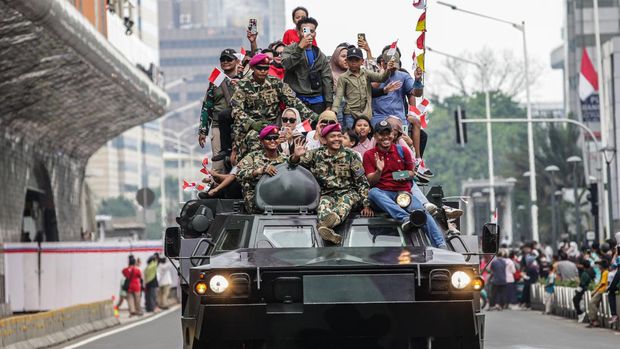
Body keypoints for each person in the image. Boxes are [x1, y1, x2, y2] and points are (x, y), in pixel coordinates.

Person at [362, 120, 447, 249]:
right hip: (383, 195)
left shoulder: (403, 151)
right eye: (381, 134)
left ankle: (441, 246)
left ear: (393, 134)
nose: (385, 137)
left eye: (388, 133)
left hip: (403, 194)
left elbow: (412, 173)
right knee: (373, 192)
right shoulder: (369, 155)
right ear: (375, 136)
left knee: (423, 214)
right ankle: (404, 218)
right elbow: (370, 181)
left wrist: (400, 175)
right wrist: (379, 171)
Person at [290, 123, 373, 244]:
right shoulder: (316, 154)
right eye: (332, 136)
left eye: (339, 136)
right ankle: (327, 230)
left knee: (345, 203)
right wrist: (295, 156)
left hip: (349, 193)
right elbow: (293, 164)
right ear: (324, 140)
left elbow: (362, 182)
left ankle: (328, 222)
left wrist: (366, 204)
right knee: (322, 208)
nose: (337, 139)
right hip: (327, 194)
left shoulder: (351, 156)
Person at [231, 53, 316, 160]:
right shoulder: (243, 85)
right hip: (251, 127)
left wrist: (313, 116)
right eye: (259, 68)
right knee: (254, 140)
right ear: (252, 68)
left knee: (289, 140)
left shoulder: (275, 83)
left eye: (266, 68)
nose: (263, 71)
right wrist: (252, 124)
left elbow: (292, 101)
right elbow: (236, 110)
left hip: (273, 126)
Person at [332, 47, 396, 129]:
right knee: (352, 136)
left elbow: (381, 78)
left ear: (362, 61)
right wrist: (334, 111)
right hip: (350, 113)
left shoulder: (366, 73)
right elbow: (338, 96)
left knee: (366, 135)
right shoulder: (343, 77)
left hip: (366, 112)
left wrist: (388, 70)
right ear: (347, 61)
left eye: (356, 60)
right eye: (351, 60)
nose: (353, 62)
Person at [199, 48, 240, 173]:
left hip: (239, 124)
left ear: (237, 61)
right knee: (218, 165)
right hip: (217, 126)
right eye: (223, 59)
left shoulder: (244, 79)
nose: (226, 62)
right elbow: (207, 105)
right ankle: (217, 190)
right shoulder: (216, 79)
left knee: (239, 161)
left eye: (229, 59)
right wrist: (203, 131)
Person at [281, 17, 333, 114]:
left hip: (318, 101)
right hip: (296, 100)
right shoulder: (289, 49)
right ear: (298, 33)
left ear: (315, 34)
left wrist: (329, 104)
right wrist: (300, 47)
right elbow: (286, 65)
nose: (309, 34)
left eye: (312, 31)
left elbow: (327, 79)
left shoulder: (320, 55)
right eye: (305, 31)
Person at [236, 125, 287, 213]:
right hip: (258, 202)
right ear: (262, 141)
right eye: (268, 138)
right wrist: (258, 171)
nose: (272, 141)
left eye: (275, 138)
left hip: (281, 200)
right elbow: (239, 175)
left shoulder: (285, 159)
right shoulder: (252, 157)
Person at [587, 259, 610, 327]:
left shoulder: (605, 272)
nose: (598, 266)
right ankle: (593, 320)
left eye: (599, 265)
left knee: (592, 303)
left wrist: (595, 291)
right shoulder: (603, 272)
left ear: (602, 266)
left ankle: (594, 320)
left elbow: (602, 284)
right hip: (600, 290)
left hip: (601, 290)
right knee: (594, 303)